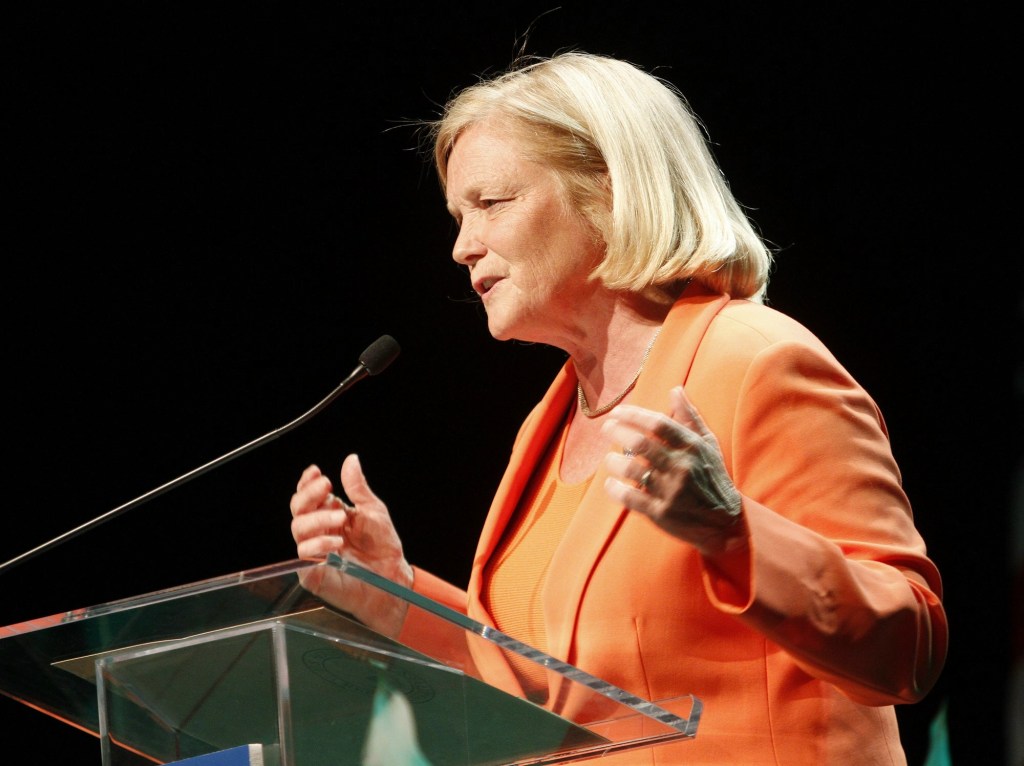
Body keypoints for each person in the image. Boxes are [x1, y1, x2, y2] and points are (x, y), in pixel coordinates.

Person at [289, 51, 947, 764]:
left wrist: (733, 533)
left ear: (607, 189)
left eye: (491, 203)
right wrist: (398, 595)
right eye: (457, 214)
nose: (461, 246)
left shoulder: (757, 362)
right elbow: (547, 692)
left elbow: (906, 648)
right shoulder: (552, 422)